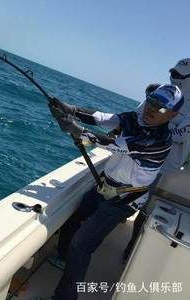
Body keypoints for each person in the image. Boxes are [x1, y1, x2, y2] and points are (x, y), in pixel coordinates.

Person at [47, 84, 184, 300]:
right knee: (75, 217)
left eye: (161, 109)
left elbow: (114, 144)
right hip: (105, 186)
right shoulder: (133, 118)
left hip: (126, 199)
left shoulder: (159, 141)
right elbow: (102, 118)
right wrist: (71, 109)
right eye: (152, 102)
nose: (152, 109)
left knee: (81, 245)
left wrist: (77, 130)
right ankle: (63, 257)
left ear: (173, 114)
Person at [123, 58, 190, 260]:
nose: (174, 77)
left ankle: (132, 250)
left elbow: (180, 135)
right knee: (123, 198)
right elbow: (136, 116)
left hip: (163, 167)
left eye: (180, 75)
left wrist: (154, 122)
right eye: (173, 73)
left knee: (145, 208)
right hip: (136, 157)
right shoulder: (160, 92)